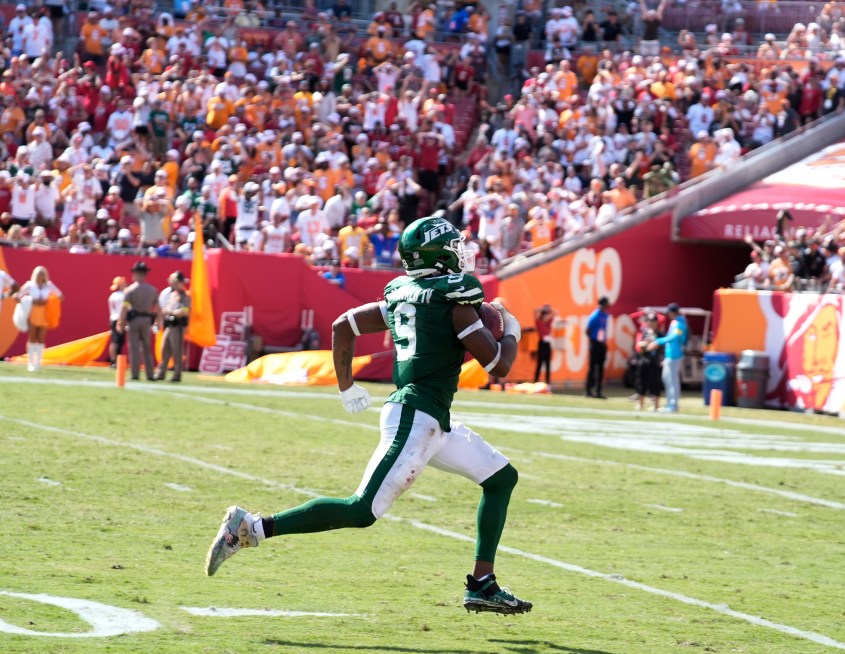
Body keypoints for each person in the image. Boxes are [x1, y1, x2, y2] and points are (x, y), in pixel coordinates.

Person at [204, 217, 533, 616]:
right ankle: (250, 527)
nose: (462, 253)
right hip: (417, 417)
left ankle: (482, 583)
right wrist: (511, 329)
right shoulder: (455, 306)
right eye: (455, 246)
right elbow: (498, 365)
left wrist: (347, 386)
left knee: (501, 478)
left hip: (431, 418)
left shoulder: (405, 296)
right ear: (441, 254)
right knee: (362, 510)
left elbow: (344, 324)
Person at [117, 261, 159, 381]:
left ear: (135, 274)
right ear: (145, 274)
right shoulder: (152, 290)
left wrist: (120, 322)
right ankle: (150, 374)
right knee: (147, 347)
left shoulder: (130, 290)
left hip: (134, 320)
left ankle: (135, 374)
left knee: (134, 348)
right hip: (146, 320)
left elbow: (124, 307)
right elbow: (158, 308)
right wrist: (158, 321)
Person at [16, 265, 62, 372]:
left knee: (41, 338)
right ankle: (30, 362)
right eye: (38, 273)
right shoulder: (30, 285)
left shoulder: (49, 286)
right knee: (32, 337)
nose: (40, 275)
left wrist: (49, 301)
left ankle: (38, 362)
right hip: (32, 312)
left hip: (44, 313)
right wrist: (30, 301)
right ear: (34, 274)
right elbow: (17, 297)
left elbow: (60, 296)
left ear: (45, 275)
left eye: (42, 273)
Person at [649, 303, 688, 412]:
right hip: (670, 354)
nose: (668, 315)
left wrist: (658, 341)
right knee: (666, 378)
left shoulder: (680, 323)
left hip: (675, 355)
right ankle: (669, 403)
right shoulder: (675, 322)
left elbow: (675, 337)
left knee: (672, 380)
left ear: (673, 312)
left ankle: (673, 405)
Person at [156, 271, 191, 382]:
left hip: (178, 325)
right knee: (164, 349)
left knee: (176, 350)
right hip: (169, 324)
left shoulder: (185, 296)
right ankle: (161, 372)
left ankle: (177, 374)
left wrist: (171, 312)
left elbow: (185, 311)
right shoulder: (172, 294)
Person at [584, 296, 610, 398]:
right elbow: (587, 330)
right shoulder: (594, 316)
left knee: (601, 369)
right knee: (592, 368)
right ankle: (588, 390)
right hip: (595, 344)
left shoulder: (606, 315)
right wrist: (593, 341)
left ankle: (598, 391)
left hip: (602, 344)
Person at [108, 276, 127, 367]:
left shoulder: (112, 296)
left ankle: (113, 360)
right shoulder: (123, 296)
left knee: (115, 341)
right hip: (119, 320)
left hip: (113, 319)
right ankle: (114, 361)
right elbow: (124, 309)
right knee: (117, 341)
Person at [534, 304, 555, 384]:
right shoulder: (539, 322)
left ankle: (548, 383)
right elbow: (535, 311)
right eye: (546, 316)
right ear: (543, 316)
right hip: (542, 344)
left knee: (548, 365)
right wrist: (543, 309)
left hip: (548, 345)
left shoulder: (549, 323)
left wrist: (549, 309)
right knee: (539, 364)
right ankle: (536, 381)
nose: (548, 317)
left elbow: (555, 312)